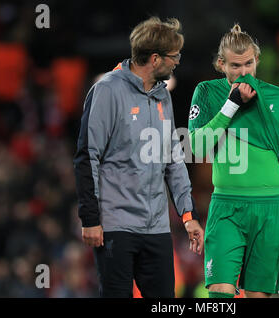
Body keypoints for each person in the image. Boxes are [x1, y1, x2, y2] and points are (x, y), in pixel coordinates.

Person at [188, 24, 279, 298]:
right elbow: (196, 147)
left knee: (258, 295)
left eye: (249, 64)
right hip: (226, 208)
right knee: (220, 291)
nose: (243, 73)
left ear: (257, 60)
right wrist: (230, 105)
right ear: (221, 64)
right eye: (235, 66)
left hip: (269, 211)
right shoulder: (206, 92)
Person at [73, 17, 204, 298]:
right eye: (174, 56)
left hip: (156, 227)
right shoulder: (107, 90)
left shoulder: (162, 97)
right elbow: (87, 157)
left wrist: (188, 215)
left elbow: (174, 160)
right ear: (155, 59)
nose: (177, 62)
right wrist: (90, 218)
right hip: (115, 225)